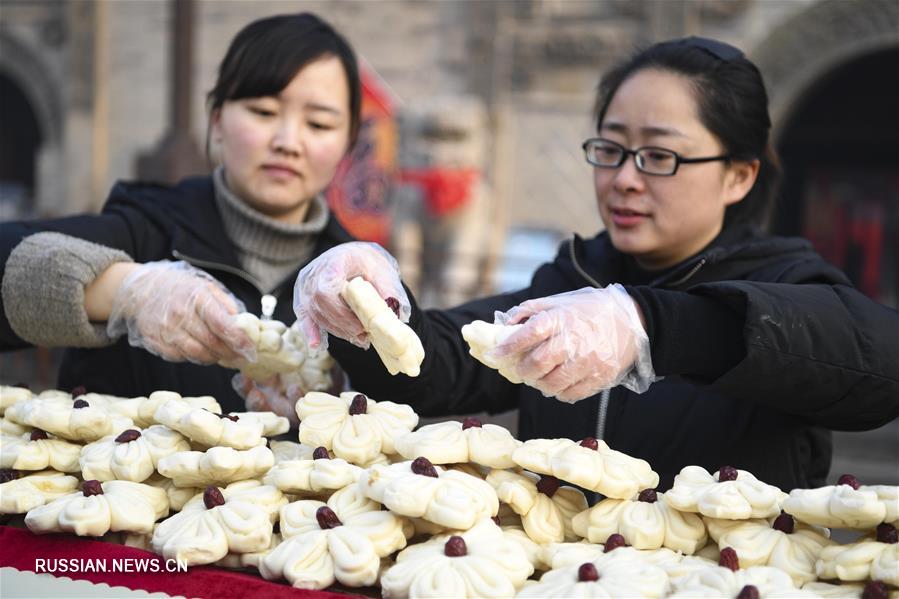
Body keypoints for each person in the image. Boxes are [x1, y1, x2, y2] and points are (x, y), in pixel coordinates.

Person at [293, 36, 899, 492]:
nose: (625, 180)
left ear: (738, 175)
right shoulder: (572, 280)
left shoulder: (785, 280)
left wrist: (651, 325)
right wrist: (369, 305)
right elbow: (442, 362)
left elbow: (875, 363)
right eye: (610, 149)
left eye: (659, 155)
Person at [0, 13, 360, 417]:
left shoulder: (358, 284)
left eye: (318, 123)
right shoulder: (144, 229)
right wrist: (125, 291)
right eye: (262, 112)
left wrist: (340, 395)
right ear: (217, 120)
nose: (287, 142)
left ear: (348, 141)